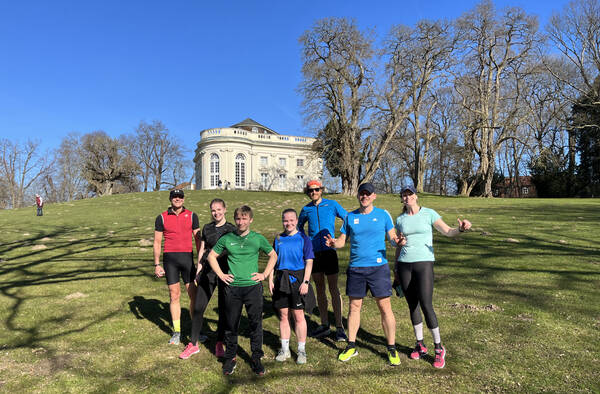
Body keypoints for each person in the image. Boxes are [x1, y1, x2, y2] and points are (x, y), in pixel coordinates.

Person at [394, 184, 472, 369]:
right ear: (402, 199)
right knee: (412, 305)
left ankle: (438, 348)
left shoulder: (429, 213)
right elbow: (398, 244)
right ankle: (420, 344)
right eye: (404, 195)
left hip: (424, 264)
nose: (407, 198)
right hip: (404, 265)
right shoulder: (400, 219)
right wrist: (395, 269)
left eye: (410, 194)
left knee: (427, 305)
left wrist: (460, 229)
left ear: (416, 196)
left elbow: (447, 231)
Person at [325, 183, 401, 366]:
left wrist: (398, 241)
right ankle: (351, 345)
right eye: (361, 194)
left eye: (368, 194)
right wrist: (335, 244)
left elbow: (392, 237)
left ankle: (391, 348)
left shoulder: (383, 214)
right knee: (354, 307)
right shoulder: (350, 217)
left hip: (378, 268)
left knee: (385, 307)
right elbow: (343, 241)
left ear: (374, 196)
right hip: (356, 269)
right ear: (358, 196)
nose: (364, 197)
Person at [207, 205, 278, 376]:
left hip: (253, 288)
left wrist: (264, 274)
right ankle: (230, 358)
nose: (241, 222)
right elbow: (211, 256)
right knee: (231, 325)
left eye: (244, 218)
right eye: (238, 218)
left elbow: (273, 255)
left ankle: (256, 358)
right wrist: (221, 275)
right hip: (232, 288)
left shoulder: (257, 238)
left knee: (255, 323)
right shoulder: (227, 238)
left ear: (250, 220)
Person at [179, 199, 236, 360]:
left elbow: (236, 251)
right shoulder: (207, 228)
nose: (216, 213)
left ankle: (219, 343)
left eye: (219, 209)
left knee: (223, 309)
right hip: (208, 271)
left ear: (225, 209)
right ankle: (193, 344)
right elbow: (202, 250)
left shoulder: (231, 229)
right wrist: (198, 270)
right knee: (198, 307)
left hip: (225, 272)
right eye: (213, 210)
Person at [298, 179, 348, 341]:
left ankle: (339, 327)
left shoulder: (332, 204)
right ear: (308, 192)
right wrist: (305, 241)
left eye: (316, 190)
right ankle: (325, 324)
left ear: (321, 190)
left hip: (329, 251)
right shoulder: (306, 209)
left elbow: (347, 219)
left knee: (334, 289)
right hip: (314, 254)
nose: (314, 192)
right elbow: (298, 228)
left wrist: (340, 238)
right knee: (319, 288)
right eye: (311, 190)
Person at [269, 208, 316, 365]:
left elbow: (309, 261)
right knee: (283, 316)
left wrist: (306, 282)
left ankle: (301, 350)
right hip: (281, 280)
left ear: (296, 221)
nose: (288, 223)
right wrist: (270, 279)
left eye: (291, 220)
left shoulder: (304, 238)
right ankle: (285, 349)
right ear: (282, 221)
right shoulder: (278, 239)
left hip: (298, 280)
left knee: (298, 316)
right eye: (285, 220)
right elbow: (272, 260)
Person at [153, 189, 200, 345]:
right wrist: (157, 264)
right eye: (175, 197)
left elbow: (198, 240)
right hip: (170, 260)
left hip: (187, 259)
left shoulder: (192, 215)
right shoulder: (161, 217)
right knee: (174, 295)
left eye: (180, 197)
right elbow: (157, 242)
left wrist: (201, 262)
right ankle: (177, 331)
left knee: (193, 294)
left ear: (184, 199)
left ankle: (195, 331)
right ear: (170, 199)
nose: (177, 199)